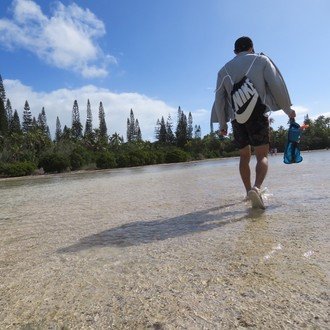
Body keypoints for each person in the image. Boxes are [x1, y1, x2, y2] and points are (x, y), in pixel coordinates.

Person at [211, 36, 296, 209]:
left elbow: (219, 99)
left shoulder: (223, 70)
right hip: (257, 115)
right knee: (262, 155)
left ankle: (248, 191)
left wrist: (222, 124)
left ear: (235, 51)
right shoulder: (261, 60)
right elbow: (276, 86)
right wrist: (287, 110)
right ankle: (257, 188)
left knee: (244, 156)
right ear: (252, 47)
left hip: (237, 119)